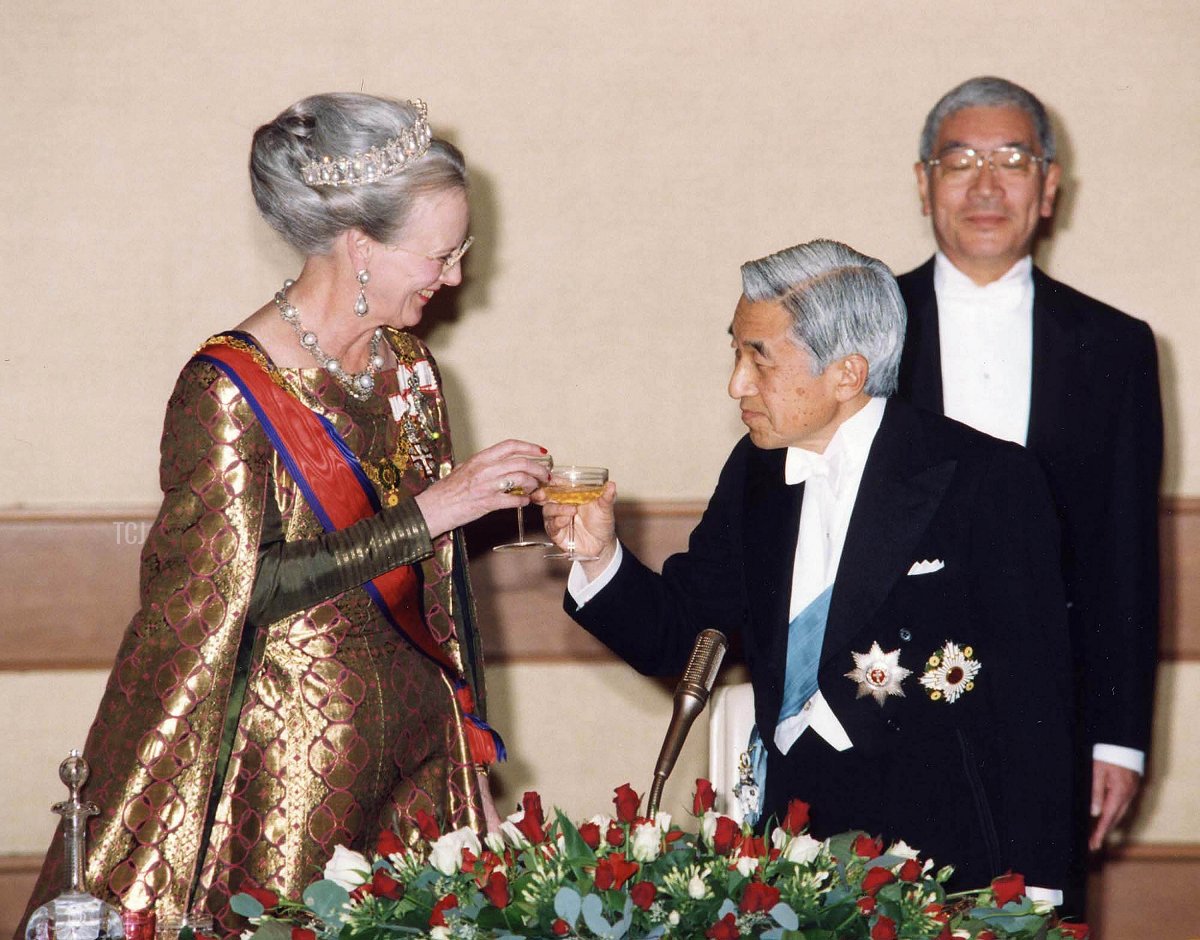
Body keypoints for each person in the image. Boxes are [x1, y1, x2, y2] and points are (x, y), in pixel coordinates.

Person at [20, 93, 550, 934]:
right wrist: (431, 512)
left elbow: (440, 596)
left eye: (462, 252)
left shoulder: (410, 371)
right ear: (359, 247)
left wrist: (470, 754)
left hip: (414, 765)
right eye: (440, 255)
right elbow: (230, 596)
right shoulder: (227, 390)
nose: (454, 277)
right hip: (288, 774)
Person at [538, 239, 1076, 899]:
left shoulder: (986, 481)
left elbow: (1037, 708)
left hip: (942, 858)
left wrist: (1043, 893)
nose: (735, 383)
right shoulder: (755, 474)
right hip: (788, 856)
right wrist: (597, 556)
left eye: (757, 358)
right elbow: (676, 634)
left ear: (848, 373)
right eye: (735, 352)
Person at [895, 76, 1162, 889]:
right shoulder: (862, 334)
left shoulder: (1114, 348)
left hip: (1051, 718)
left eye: (1011, 159)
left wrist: (1117, 739)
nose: (984, 184)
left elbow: (1125, 557)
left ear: (1049, 188)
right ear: (922, 183)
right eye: (959, 159)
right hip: (887, 711)